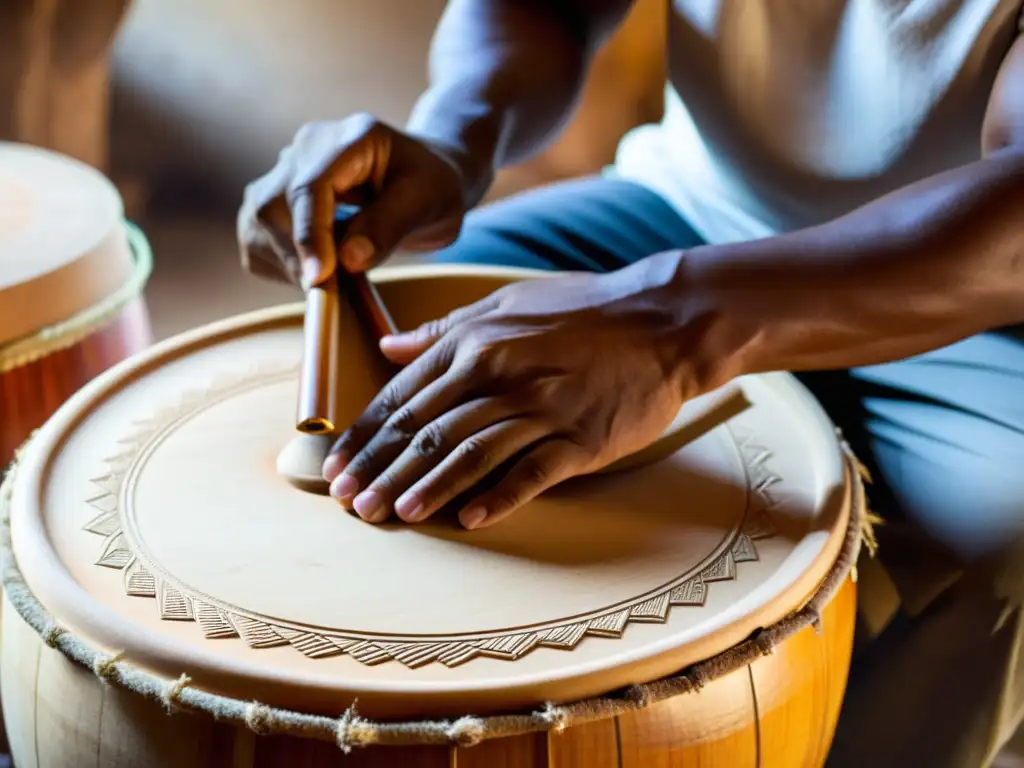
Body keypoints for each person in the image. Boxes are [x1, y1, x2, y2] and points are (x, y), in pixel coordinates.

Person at [237, 1, 1024, 764]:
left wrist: (670, 327)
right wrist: (452, 135)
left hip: (976, 294)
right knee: (412, 351)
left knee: (991, 551)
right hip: (692, 204)